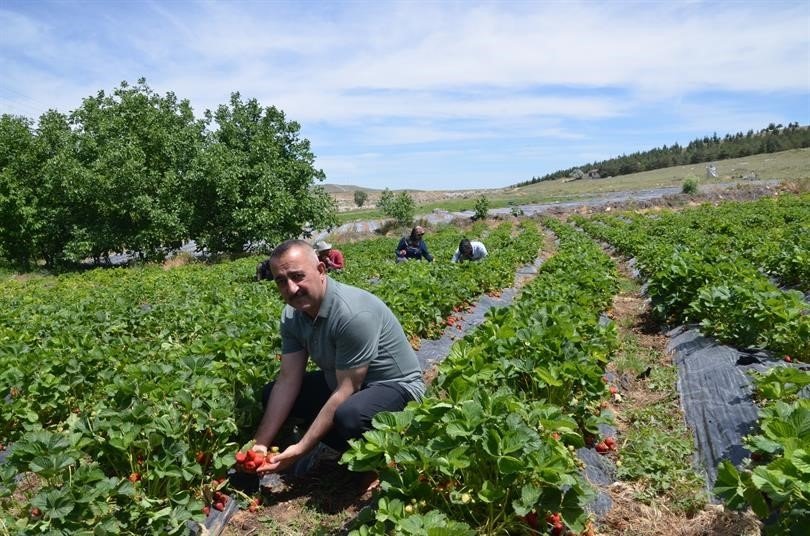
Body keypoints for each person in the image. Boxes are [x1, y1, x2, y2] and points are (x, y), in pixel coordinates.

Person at [252, 239, 425, 476]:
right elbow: (288, 379)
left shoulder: (353, 314)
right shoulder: (293, 315)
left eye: (298, 276)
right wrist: (260, 444)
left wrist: (301, 449)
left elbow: (346, 390)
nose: (291, 288)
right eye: (282, 281)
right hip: (342, 382)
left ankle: (386, 454)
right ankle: (344, 445)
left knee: (350, 416)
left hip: (395, 387)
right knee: (272, 393)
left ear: (321, 270)